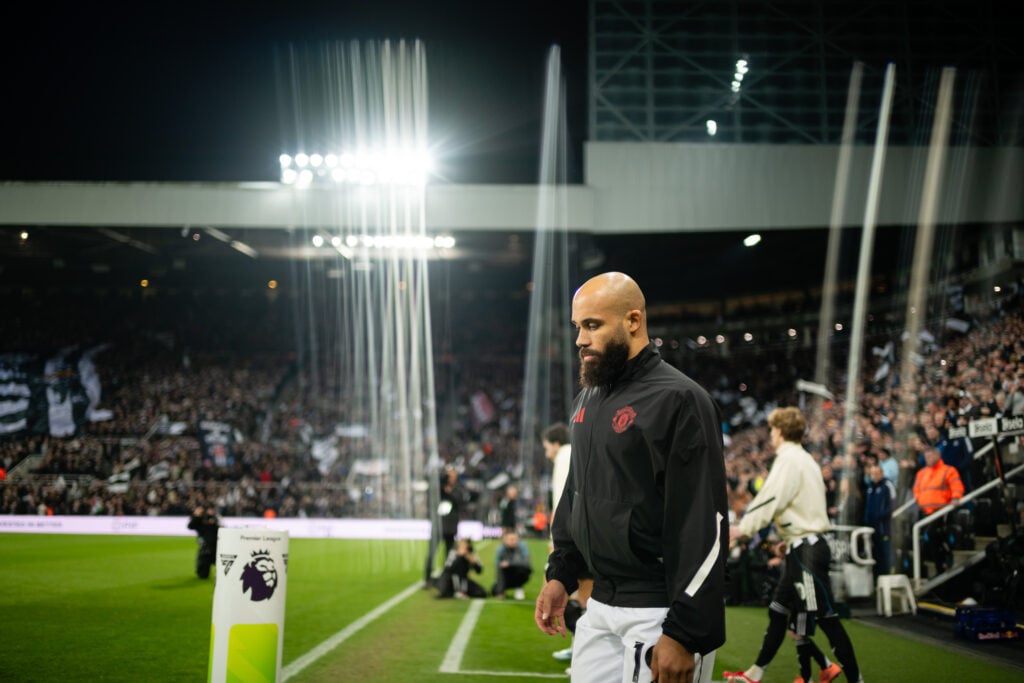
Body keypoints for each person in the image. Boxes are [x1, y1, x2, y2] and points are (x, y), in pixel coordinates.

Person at [535, 272, 728, 683]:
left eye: (592, 325)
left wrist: (683, 631)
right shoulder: (587, 398)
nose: (580, 340)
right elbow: (577, 496)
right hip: (600, 606)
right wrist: (561, 575)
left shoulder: (681, 400)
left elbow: (703, 522)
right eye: (577, 327)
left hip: (658, 613)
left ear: (633, 321)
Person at [726, 406, 862, 683]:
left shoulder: (788, 459)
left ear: (780, 430)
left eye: (773, 429)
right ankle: (756, 673)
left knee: (826, 618)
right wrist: (787, 540)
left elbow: (770, 498)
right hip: (801, 547)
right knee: (779, 611)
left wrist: (742, 528)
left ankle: (855, 680)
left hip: (806, 550)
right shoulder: (806, 459)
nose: (771, 435)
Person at [542, 421, 589, 666]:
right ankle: (578, 648)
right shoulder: (576, 451)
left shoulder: (564, 456)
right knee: (585, 601)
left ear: (556, 443)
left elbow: (563, 500)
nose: (546, 453)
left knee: (584, 601)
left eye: (546, 447)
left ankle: (584, 655)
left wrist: (556, 544)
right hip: (586, 535)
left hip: (576, 540)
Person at [912, 445, 964, 574]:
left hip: (941, 511)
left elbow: (956, 486)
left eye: (930, 456)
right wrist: (919, 499)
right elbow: (917, 490)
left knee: (933, 535)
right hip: (925, 512)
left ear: (937, 456)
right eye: (926, 456)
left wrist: (956, 497)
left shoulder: (948, 470)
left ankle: (943, 563)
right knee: (930, 539)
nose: (928, 459)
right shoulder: (922, 473)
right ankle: (939, 565)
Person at [424, 465, 468, 586]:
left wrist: (449, 492)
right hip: (438, 526)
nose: (451, 478)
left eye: (453, 475)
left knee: (449, 556)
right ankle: (427, 579)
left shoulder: (458, 489)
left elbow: (460, 502)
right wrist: (441, 484)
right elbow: (431, 495)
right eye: (449, 475)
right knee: (431, 553)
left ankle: (446, 579)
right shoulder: (438, 488)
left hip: (450, 527)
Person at [863, 458, 896, 578]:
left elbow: (892, 505)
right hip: (872, 527)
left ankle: (887, 575)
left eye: (877, 473)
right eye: (873, 474)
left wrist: (881, 516)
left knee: (885, 552)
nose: (875, 476)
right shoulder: (870, 487)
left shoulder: (887, 486)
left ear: (881, 473)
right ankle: (877, 577)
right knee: (874, 553)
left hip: (884, 527)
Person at [492, 529, 533, 600]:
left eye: (515, 539)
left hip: (520, 573)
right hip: (507, 576)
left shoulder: (522, 546)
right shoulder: (500, 550)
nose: (514, 541)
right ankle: (502, 590)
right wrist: (500, 591)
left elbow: (526, 563)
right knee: (494, 590)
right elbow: (498, 569)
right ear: (505, 540)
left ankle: (519, 587)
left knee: (522, 569)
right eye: (511, 539)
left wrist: (509, 563)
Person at [187, 504, 220, 579]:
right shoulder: (199, 520)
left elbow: (220, 528)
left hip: (215, 546)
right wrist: (196, 515)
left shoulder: (215, 519)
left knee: (222, 567)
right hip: (205, 548)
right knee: (202, 575)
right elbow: (190, 526)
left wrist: (213, 520)